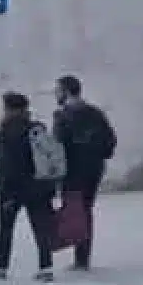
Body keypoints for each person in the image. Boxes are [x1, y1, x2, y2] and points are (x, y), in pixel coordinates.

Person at [0, 91, 60, 282]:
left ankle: (1, 266)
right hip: (38, 186)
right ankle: (46, 268)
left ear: (9, 109)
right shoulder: (37, 129)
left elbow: (5, 164)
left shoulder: (5, 132)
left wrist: (4, 189)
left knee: (6, 228)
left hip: (13, 188)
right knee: (41, 228)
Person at [52, 75, 116, 272]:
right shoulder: (95, 113)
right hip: (93, 169)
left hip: (72, 171)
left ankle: (78, 256)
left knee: (74, 211)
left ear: (66, 91)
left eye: (58, 90)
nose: (56, 94)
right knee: (85, 210)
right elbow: (110, 140)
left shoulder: (63, 116)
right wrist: (98, 156)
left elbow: (58, 146)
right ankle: (82, 256)